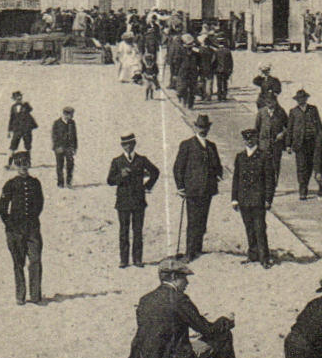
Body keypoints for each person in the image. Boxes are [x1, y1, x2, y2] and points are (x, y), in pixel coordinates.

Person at [127, 257, 237, 358]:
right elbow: (207, 330)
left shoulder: (145, 300)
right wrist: (226, 321)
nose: (187, 283)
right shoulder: (179, 299)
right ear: (174, 277)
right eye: (184, 278)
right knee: (223, 335)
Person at [0, 152, 45, 305]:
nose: (23, 167)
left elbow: (40, 203)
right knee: (18, 262)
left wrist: (32, 218)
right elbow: (2, 207)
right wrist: (9, 224)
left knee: (35, 260)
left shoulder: (35, 183)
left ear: (29, 165)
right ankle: (20, 295)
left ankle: (35, 295)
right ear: (15, 166)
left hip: (32, 229)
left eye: (26, 164)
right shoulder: (10, 184)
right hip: (15, 230)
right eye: (20, 164)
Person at [173, 114, 223, 260]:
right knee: (192, 221)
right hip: (192, 190)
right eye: (200, 127)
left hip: (207, 189)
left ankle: (198, 249)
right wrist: (181, 187)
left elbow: (217, 165)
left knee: (202, 220)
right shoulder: (187, 145)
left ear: (209, 128)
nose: (203, 130)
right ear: (195, 127)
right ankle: (189, 252)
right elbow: (178, 168)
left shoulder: (211, 146)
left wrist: (218, 174)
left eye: (205, 127)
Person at [107, 133, 161, 268]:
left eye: (130, 144)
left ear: (134, 144)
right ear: (122, 146)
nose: (128, 147)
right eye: (125, 144)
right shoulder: (117, 161)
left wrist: (146, 186)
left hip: (138, 201)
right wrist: (121, 175)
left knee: (138, 231)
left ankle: (137, 259)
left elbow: (155, 172)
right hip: (123, 202)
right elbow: (110, 180)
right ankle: (124, 260)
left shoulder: (141, 160)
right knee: (123, 231)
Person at [230, 128, 272, 267]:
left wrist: (268, 199)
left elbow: (270, 179)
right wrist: (234, 198)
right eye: (246, 139)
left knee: (260, 228)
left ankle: (264, 258)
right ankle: (253, 254)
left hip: (258, 199)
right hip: (243, 199)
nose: (249, 141)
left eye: (251, 139)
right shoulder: (240, 157)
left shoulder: (264, 156)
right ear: (244, 141)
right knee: (249, 228)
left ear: (256, 139)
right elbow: (236, 178)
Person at [254, 95, 289, 208]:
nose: (270, 104)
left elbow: (288, 126)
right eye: (268, 102)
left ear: (275, 101)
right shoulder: (261, 113)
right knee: (263, 166)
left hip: (276, 145)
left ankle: (273, 187)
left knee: (275, 166)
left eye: (272, 102)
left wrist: (282, 134)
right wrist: (257, 144)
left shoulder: (281, 112)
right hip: (264, 145)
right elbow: (257, 129)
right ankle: (264, 187)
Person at [287, 89, 322, 200]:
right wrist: (288, 145)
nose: (300, 101)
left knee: (316, 165)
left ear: (306, 99)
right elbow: (290, 129)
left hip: (313, 143)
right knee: (302, 168)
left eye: (302, 98)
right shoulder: (293, 112)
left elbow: (319, 126)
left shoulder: (313, 109)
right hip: (300, 144)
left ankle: (321, 189)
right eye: (298, 99)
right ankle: (303, 190)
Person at [51, 107, 78, 188]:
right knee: (60, 165)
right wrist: (57, 147)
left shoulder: (72, 123)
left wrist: (75, 147)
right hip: (59, 148)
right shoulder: (57, 123)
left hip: (69, 147)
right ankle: (60, 183)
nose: (72, 116)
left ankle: (69, 182)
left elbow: (74, 136)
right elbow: (54, 136)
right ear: (65, 114)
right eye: (71, 115)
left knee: (70, 164)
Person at [7, 91, 37, 165]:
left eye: (19, 96)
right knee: (13, 145)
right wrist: (9, 130)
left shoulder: (25, 105)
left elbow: (30, 109)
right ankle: (9, 163)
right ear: (14, 99)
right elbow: (11, 118)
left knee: (27, 145)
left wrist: (23, 104)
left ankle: (28, 161)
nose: (18, 98)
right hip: (17, 129)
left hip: (26, 129)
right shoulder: (13, 107)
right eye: (16, 97)